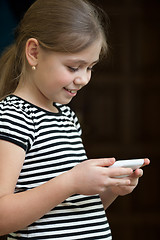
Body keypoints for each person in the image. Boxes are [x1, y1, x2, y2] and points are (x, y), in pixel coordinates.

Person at [0, 0, 150, 239]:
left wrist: (109, 188)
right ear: (34, 52)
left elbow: (72, 213)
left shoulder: (66, 117)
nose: (84, 79)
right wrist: (71, 182)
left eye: (90, 67)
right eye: (73, 67)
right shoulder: (13, 117)